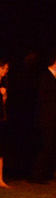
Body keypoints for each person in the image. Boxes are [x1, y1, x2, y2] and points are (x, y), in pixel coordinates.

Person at [31, 51, 56, 182]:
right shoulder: (45, 77)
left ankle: (47, 172)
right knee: (46, 146)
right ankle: (37, 174)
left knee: (52, 146)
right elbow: (43, 96)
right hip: (47, 118)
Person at [0, 57, 9, 188]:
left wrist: (4, 96)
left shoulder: (3, 83)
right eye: (4, 68)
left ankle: (0, 179)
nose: (5, 71)